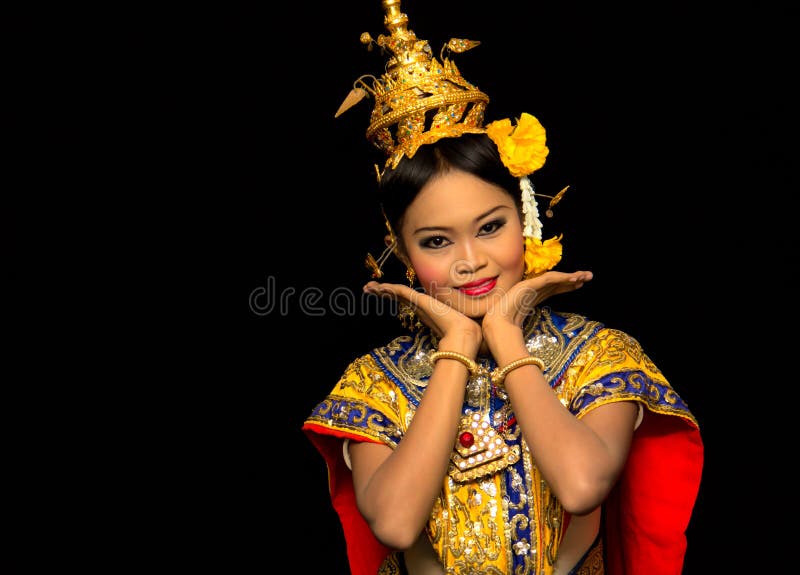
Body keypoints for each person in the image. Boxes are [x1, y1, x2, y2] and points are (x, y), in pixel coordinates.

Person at [302, 2, 703, 574]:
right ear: (405, 255)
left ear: (526, 217)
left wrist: (506, 338)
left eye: (491, 227)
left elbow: (582, 485)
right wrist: (458, 347)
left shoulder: (599, 357)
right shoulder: (374, 383)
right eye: (437, 242)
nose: (471, 261)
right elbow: (393, 522)